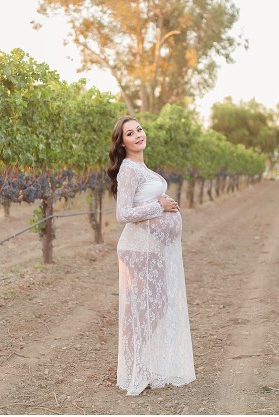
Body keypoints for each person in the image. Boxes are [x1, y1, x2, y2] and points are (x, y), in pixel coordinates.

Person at [107, 116, 196, 396]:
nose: (138, 135)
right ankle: (135, 369)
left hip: (150, 248)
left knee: (153, 307)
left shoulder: (142, 167)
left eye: (139, 130)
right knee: (143, 309)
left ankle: (140, 363)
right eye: (130, 133)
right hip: (138, 248)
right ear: (122, 142)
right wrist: (159, 206)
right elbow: (123, 214)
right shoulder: (129, 170)